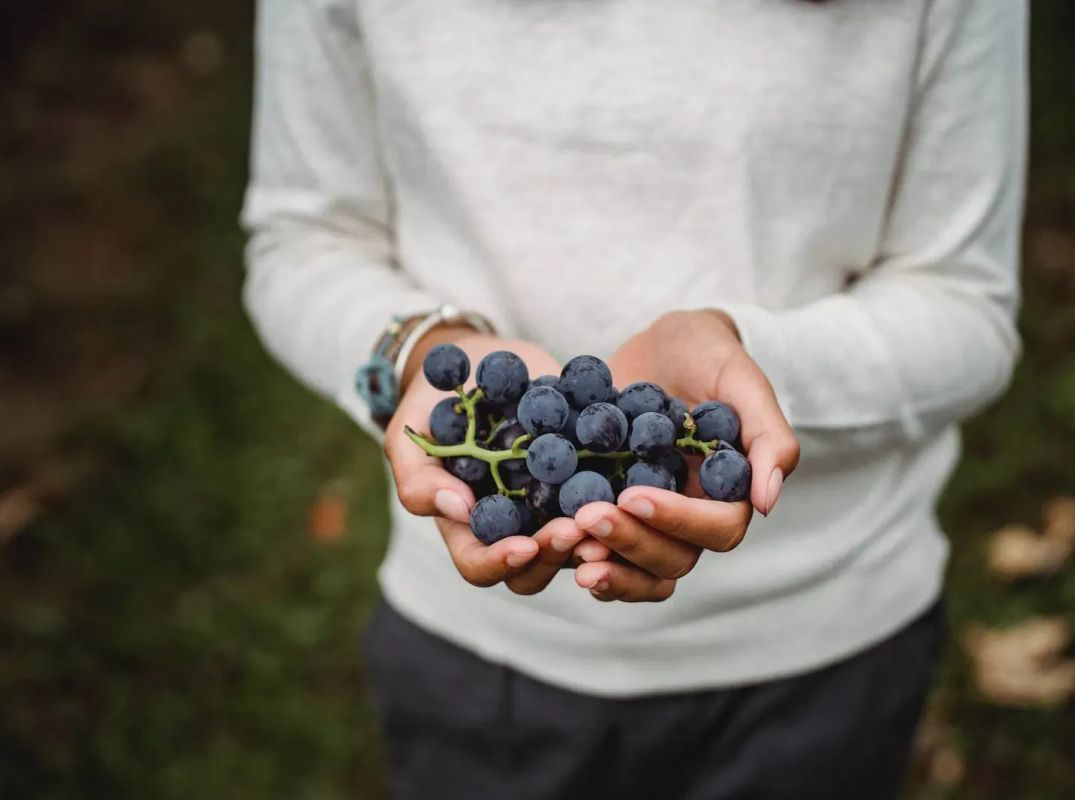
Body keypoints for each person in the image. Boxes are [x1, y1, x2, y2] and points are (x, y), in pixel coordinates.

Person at [241, 0, 1026, 797]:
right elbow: (302, 242)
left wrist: (752, 363)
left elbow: (966, 307)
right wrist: (415, 351)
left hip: (823, 657)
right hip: (475, 657)